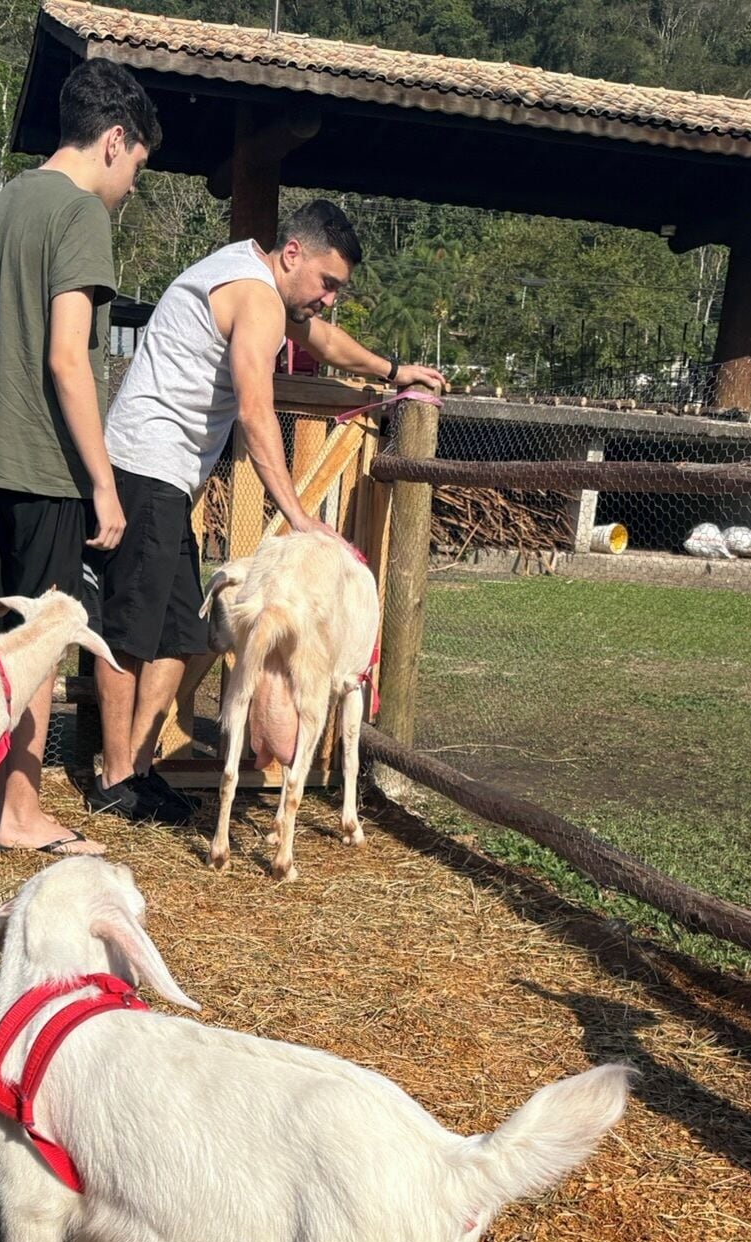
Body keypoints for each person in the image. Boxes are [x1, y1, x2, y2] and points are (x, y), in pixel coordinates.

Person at [89, 199, 447, 822]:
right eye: (328, 283)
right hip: (143, 469)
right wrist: (299, 515)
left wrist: (394, 372)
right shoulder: (255, 298)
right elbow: (256, 413)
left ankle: (139, 770)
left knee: (178, 630)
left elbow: (326, 341)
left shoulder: (266, 291)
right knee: (130, 629)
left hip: (170, 480)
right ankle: (115, 777)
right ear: (292, 255)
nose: (330, 298)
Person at [0, 58, 160, 855]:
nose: (133, 186)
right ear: (114, 140)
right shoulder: (80, 216)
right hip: (47, 472)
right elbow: (71, 361)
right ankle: (21, 812)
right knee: (38, 647)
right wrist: (104, 485)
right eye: (137, 165)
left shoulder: (3, 204)